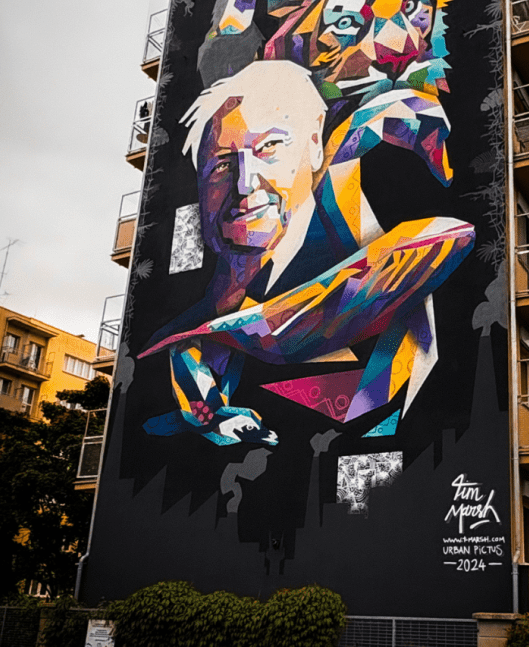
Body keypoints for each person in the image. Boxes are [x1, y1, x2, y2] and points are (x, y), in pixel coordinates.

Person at [139, 59, 476, 447]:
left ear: (313, 142)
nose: (247, 183)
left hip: (395, 429)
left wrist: (430, 134)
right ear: (200, 181)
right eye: (222, 165)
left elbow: (448, 231)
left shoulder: (340, 188)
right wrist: (211, 413)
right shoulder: (202, 323)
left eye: (268, 148)